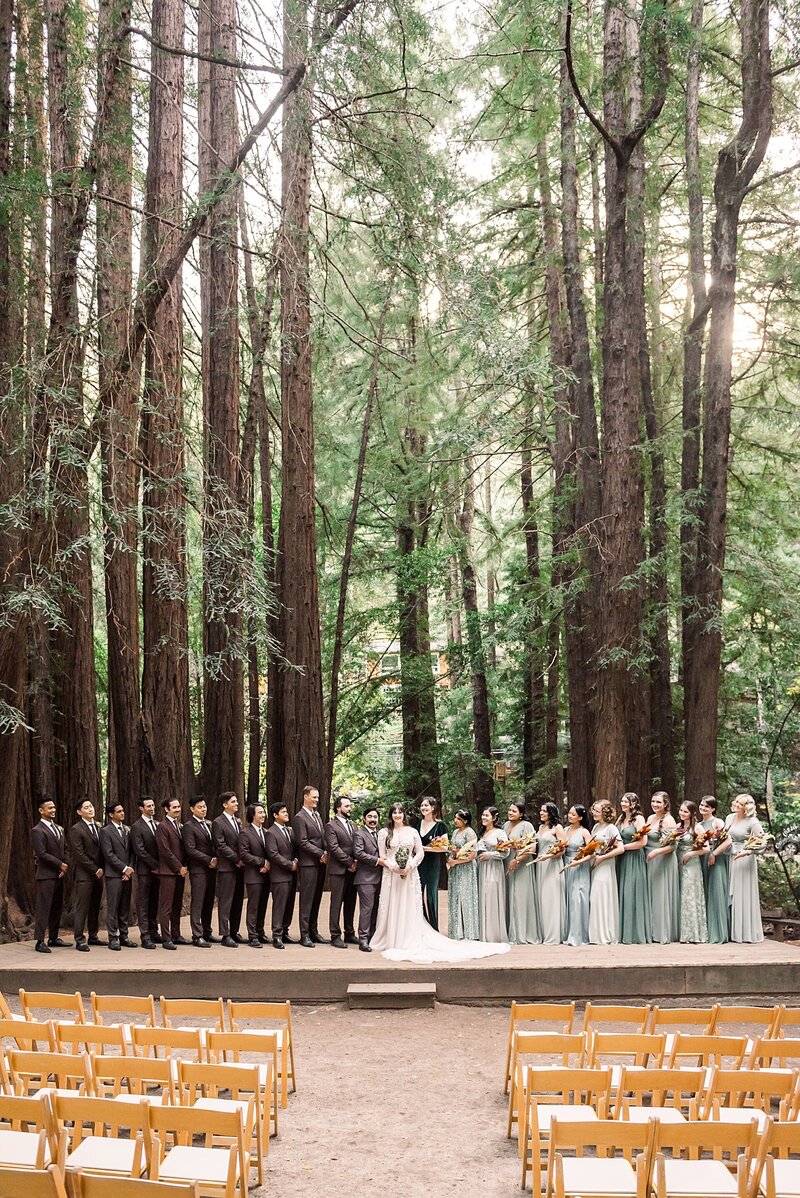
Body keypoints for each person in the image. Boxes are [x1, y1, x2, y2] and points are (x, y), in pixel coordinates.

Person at [370, 803, 509, 963]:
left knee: (415, 903)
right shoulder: (384, 833)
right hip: (391, 875)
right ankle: (390, 936)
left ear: (404, 814)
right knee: (392, 903)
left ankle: (408, 936)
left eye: (400, 812)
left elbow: (419, 852)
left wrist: (409, 865)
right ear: (390, 815)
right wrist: (394, 867)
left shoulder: (412, 831)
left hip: (410, 873)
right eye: (394, 812)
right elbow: (383, 855)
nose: (397, 815)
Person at [30, 797, 69, 953]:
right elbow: (42, 853)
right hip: (46, 875)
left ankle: (53, 937)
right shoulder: (37, 830)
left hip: (60, 874)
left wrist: (64, 865)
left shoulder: (59, 828)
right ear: (41, 810)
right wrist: (59, 864)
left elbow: (65, 849)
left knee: (56, 907)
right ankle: (40, 940)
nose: (53, 810)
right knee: (43, 908)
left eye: (54, 807)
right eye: (49, 808)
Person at [726, 793, 766, 943]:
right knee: (731, 893)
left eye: (740, 803)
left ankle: (745, 933)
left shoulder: (753, 821)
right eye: (736, 801)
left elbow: (762, 842)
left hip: (744, 859)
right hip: (729, 857)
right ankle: (732, 931)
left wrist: (748, 851)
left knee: (742, 892)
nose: (735, 804)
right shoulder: (730, 817)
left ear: (746, 807)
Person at [292, 784, 328, 946]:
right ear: (305, 797)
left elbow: (322, 837)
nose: (316, 800)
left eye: (318, 797)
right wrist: (320, 854)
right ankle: (304, 934)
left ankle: (314, 931)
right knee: (306, 899)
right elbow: (302, 842)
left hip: (320, 864)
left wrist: (326, 851)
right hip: (308, 864)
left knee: (316, 898)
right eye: (314, 797)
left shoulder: (317, 816)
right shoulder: (299, 817)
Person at [99, 802, 137, 950]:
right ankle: (113, 937)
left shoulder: (128, 829)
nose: (122, 813)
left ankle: (124, 935)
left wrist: (130, 869)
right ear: (111, 814)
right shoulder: (106, 831)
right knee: (113, 907)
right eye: (119, 811)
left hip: (128, 874)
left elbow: (132, 852)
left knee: (124, 906)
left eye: (123, 811)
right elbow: (108, 854)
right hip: (114, 874)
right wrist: (123, 868)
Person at [70, 799, 106, 952]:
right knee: (82, 907)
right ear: (79, 812)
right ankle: (79, 939)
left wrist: (102, 868)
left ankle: (93, 935)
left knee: (95, 906)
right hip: (84, 874)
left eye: (91, 806)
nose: (90, 809)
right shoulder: (76, 829)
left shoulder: (99, 826)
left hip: (99, 873)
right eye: (86, 807)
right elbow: (79, 853)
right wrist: (94, 868)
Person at [645, 790, 680, 943]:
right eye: (653, 801)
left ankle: (662, 932)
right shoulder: (650, 818)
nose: (654, 804)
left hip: (662, 860)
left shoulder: (669, 821)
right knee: (651, 895)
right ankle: (651, 930)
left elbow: (673, 846)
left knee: (661, 894)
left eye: (658, 802)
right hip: (649, 859)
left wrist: (657, 852)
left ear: (665, 804)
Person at [616, 792, 651, 944]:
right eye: (622, 801)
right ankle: (623, 931)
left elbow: (643, 842)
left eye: (627, 801)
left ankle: (635, 933)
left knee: (633, 891)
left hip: (634, 858)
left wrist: (623, 847)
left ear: (634, 803)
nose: (623, 804)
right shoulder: (621, 818)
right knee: (623, 892)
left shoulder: (639, 819)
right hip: (621, 859)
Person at [182, 796, 217, 947]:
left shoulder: (208, 825)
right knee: (198, 901)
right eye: (199, 807)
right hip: (198, 869)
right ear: (192, 809)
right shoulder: (189, 826)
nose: (203, 809)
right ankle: (197, 935)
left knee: (209, 901)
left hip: (212, 869)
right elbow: (191, 849)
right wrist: (208, 860)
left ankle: (207, 931)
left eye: (204, 806)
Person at [504, 801, 540, 945]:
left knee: (520, 896)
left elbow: (531, 847)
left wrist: (517, 859)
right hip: (507, 862)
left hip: (521, 864)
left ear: (521, 814)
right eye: (509, 810)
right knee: (510, 895)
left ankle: (522, 933)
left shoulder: (527, 826)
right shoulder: (506, 825)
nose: (510, 812)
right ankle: (510, 931)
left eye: (514, 811)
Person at [588, 800, 624, 945]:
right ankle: (595, 934)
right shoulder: (596, 827)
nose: (594, 813)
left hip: (605, 865)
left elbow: (620, 848)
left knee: (601, 897)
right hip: (595, 864)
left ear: (605, 812)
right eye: (593, 810)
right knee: (595, 898)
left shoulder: (611, 828)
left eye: (597, 811)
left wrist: (602, 857)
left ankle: (604, 935)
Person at [212, 792, 245, 948]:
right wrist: (236, 859)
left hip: (240, 867)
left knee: (238, 900)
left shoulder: (237, 822)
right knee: (226, 901)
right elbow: (221, 845)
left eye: (236, 801)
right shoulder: (218, 822)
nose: (236, 803)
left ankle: (234, 931)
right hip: (227, 867)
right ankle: (225, 934)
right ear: (225, 805)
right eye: (233, 801)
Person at [325, 794, 358, 949]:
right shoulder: (331, 826)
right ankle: (335, 935)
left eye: (350, 806)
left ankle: (349, 933)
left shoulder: (353, 825)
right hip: (338, 870)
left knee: (351, 902)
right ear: (338, 808)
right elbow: (334, 848)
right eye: (346, 806)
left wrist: (356, 862)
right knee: (336, 903)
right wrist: (349, 862)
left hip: (354, 870)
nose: (349, 808)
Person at [156, 797, 188, 949]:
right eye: (174, 807)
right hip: (168, 872)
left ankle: (176, 934)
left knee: (177, 905)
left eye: (178, 806)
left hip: (180, 871)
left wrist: (185, 866)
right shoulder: (163, 826)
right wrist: (178, 867)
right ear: (167, 810)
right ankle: (166, 937)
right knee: (166, 906)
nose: (177, 809)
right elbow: (165, 851)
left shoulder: (179, 826)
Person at [264, 803, 298, 949]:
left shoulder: (290, 831)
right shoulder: (271, 832)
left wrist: (295, 861)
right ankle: (276, 935)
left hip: (292, 874)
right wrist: (289, 864)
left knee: (289, 904)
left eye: (286, 811)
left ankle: (285, 931)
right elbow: (273, 854)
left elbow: (295, 849)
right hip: (280, 874)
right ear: (275, 815)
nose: (286, 814)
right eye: (283, 812)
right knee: (279, 905)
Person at [476, 806, 510, 944]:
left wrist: (489, 855)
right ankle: (484, 934)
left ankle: (494, 935)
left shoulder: (500, 833)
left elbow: (505, 852)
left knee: (492, 897)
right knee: (483, 897)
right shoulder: (482, 833)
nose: (484, 818)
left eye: (487, 816)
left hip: (494, 868)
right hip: (482, 868)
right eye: (483, 815)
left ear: (494, 818)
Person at [238, 803, 271, 948]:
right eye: (260, 813)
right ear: (252, 815)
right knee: (253, 905)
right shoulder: (245, 833)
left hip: (266, 875)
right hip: (253, 874)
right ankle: (252, 936)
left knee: (263, 904)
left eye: (264, 812)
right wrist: (262, 862)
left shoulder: (267, 832)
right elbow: (244, 854)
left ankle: (260, 931)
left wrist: (268, 864)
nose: (263, 815)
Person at [699, 795, 731, 943]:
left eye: (706, 806)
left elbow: (727, 841)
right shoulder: (699, 824)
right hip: (703, 858)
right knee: (705, 892)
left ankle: (718, 933)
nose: (703, 808)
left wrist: (714, 854)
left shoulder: (717, 822)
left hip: (716, 859)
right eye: (701, 805)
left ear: (713, 808)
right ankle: (706, 932)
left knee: (716, 892)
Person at [676, 800, 709, 944]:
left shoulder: (698, 828)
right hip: (678, 862)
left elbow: (707, 848)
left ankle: (693, 934)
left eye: (685, 811)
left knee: (689, 896)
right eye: (681, 811)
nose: (682, 814)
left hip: (691, 864)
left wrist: (691, 854)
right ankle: (681, 932)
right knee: (680, 896)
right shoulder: (678, 827)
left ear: (692, 813)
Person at [353, 806, 385, 951]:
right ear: (364, 819)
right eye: (370, 817)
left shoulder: (381, 834)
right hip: (365, 878)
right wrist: (378, 861)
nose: (373, 820)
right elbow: (358, 853)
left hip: (382, 878)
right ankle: (363, 939)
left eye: (375, 817)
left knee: (376, 909)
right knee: (367, 909)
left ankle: (373, 937)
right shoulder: (359, 834)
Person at [130, 797, 161, 948]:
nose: (152, 808)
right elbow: (139, 850)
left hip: (159, 871)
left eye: (153, 805)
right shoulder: (137, 826)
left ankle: (154, 931)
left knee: (154, 902)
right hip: (145, 871)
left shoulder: (157, 824)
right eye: (148, 806)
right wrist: (154, 865)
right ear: (141, 808)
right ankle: (145, 935)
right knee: (143, 903)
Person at [415, 796, 448, 930]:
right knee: (417, 894)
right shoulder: (416, 824)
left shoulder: (441, 826)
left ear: (433, 808)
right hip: (418, 864)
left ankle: (434, 928)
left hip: (433, 864)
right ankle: (420, 926)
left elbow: (445, 847)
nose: (423, 808)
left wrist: (425, 848)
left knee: (430, 896)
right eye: (422, 805)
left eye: (426, 805)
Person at [446, 808, 480, 941]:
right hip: (455, 867)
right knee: (456, 895)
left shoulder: (470, 832)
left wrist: (457, 861)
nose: (455, 820)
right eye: (455, 818)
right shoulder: (455, 832)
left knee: (465, 895)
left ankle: (469, 931)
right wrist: (450, 858)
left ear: (465, 821)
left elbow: (473, 854)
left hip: (466, 867)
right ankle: (456, 931)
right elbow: (452, 848)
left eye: (458, 818)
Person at [534, 802, 564, 945]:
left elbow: (563, 849)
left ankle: (554, 934)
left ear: (551, 813)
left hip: (552, 863)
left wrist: (548, 856)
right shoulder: (540, 827)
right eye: (541, 810)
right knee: (542, 899)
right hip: (540, 864)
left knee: (551, 897)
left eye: (544, 811)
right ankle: (544, 933)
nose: (541, 813)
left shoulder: (557, 828)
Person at [562, 804, 593, 947]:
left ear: (580, 817)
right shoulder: (564, 830)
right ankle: (567, 933)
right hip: (565, 865)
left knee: (577, 900)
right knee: (567, 899)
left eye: (573, 814)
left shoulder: (585, 832)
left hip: (579, 866)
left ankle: (579, 935)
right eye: (569, 813)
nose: (570, 816)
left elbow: (592, 853)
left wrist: (578, 861)